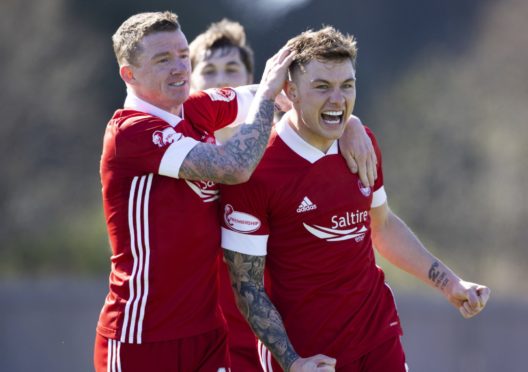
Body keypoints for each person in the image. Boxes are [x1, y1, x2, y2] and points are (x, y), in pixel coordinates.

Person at [94, 12, 375, 372]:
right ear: (128, 74)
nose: (180, 68)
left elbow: (288, 97)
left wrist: (350, 122)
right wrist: (271, 93)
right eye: (163, 60)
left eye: (183, 55)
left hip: (208, 336)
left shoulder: (195, 111)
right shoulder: (129, 133)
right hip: (142, 337)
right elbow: (234, 167)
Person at [219, 26, 491, 372]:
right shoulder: (257, 172)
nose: (338, 99)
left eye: (347, 86)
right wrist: (292, 360)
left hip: (378, 337)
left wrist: (451, 283)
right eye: (322, 87)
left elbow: (384, 226)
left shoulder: (361, 146)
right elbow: (247, 287)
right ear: (291, 92)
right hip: (309, 355)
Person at [188, 18, 265, 372]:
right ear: (190, 82)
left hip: (269, 337)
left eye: (231, 69)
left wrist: (353, 126)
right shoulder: (176, 151)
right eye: (209, 70)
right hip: (201, 338)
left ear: (252, 81)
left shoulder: (281, 147)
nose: (220, 81)